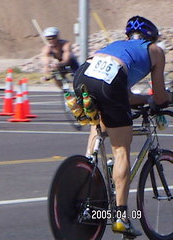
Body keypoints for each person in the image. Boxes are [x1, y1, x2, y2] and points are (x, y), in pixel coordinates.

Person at [73, 16, 173, 237]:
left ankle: (88, 171)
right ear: (151, 37)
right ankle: (121, 217)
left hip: (83, 75)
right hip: (110, 84)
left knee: (98, 127)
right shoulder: (155, 50)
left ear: (129, 36)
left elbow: (123, 95)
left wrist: (145, 101)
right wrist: (165, 99)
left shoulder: (117, 47)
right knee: (121, 150)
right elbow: (159, 95)